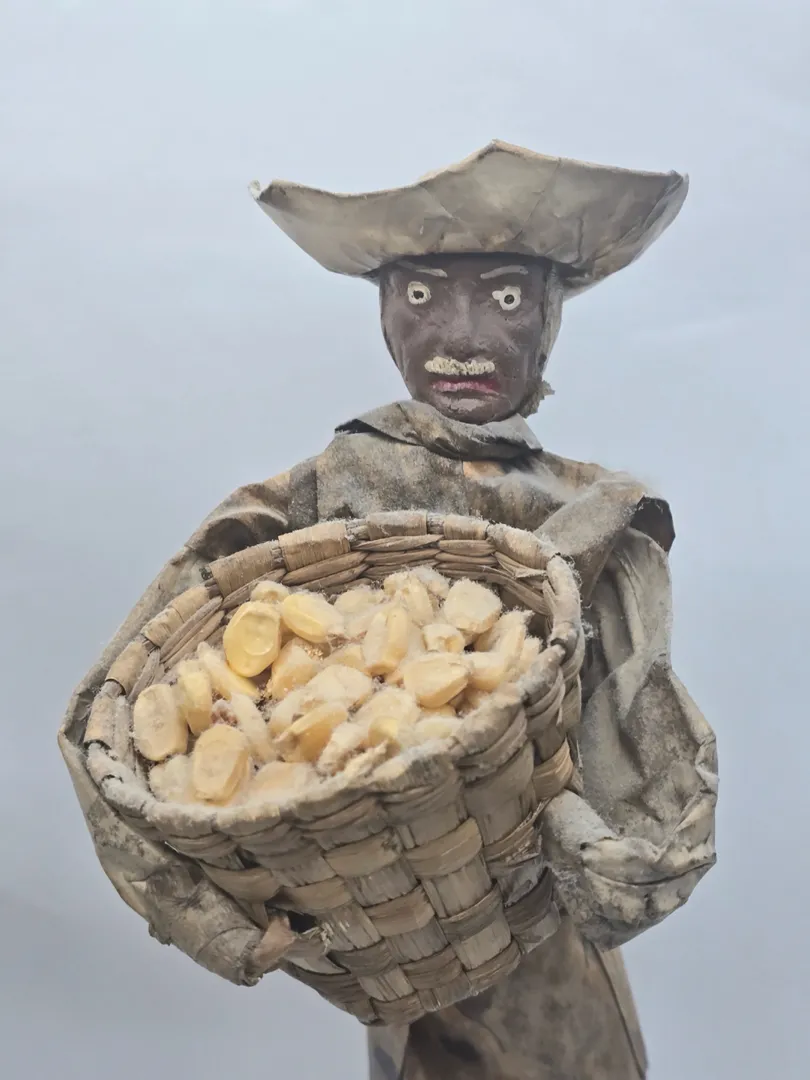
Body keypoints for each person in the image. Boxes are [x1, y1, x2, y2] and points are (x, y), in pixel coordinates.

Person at [60, 141, 718, 1079]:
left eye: (505, 298)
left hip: (540, 916)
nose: (463, 337)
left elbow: (631, 709)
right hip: (388, 917)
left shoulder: (588, 504)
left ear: (548, 316)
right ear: (383, 316)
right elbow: (109, 716)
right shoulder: (325, 491)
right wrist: (217, 917)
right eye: (419, 296)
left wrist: (624, 849)